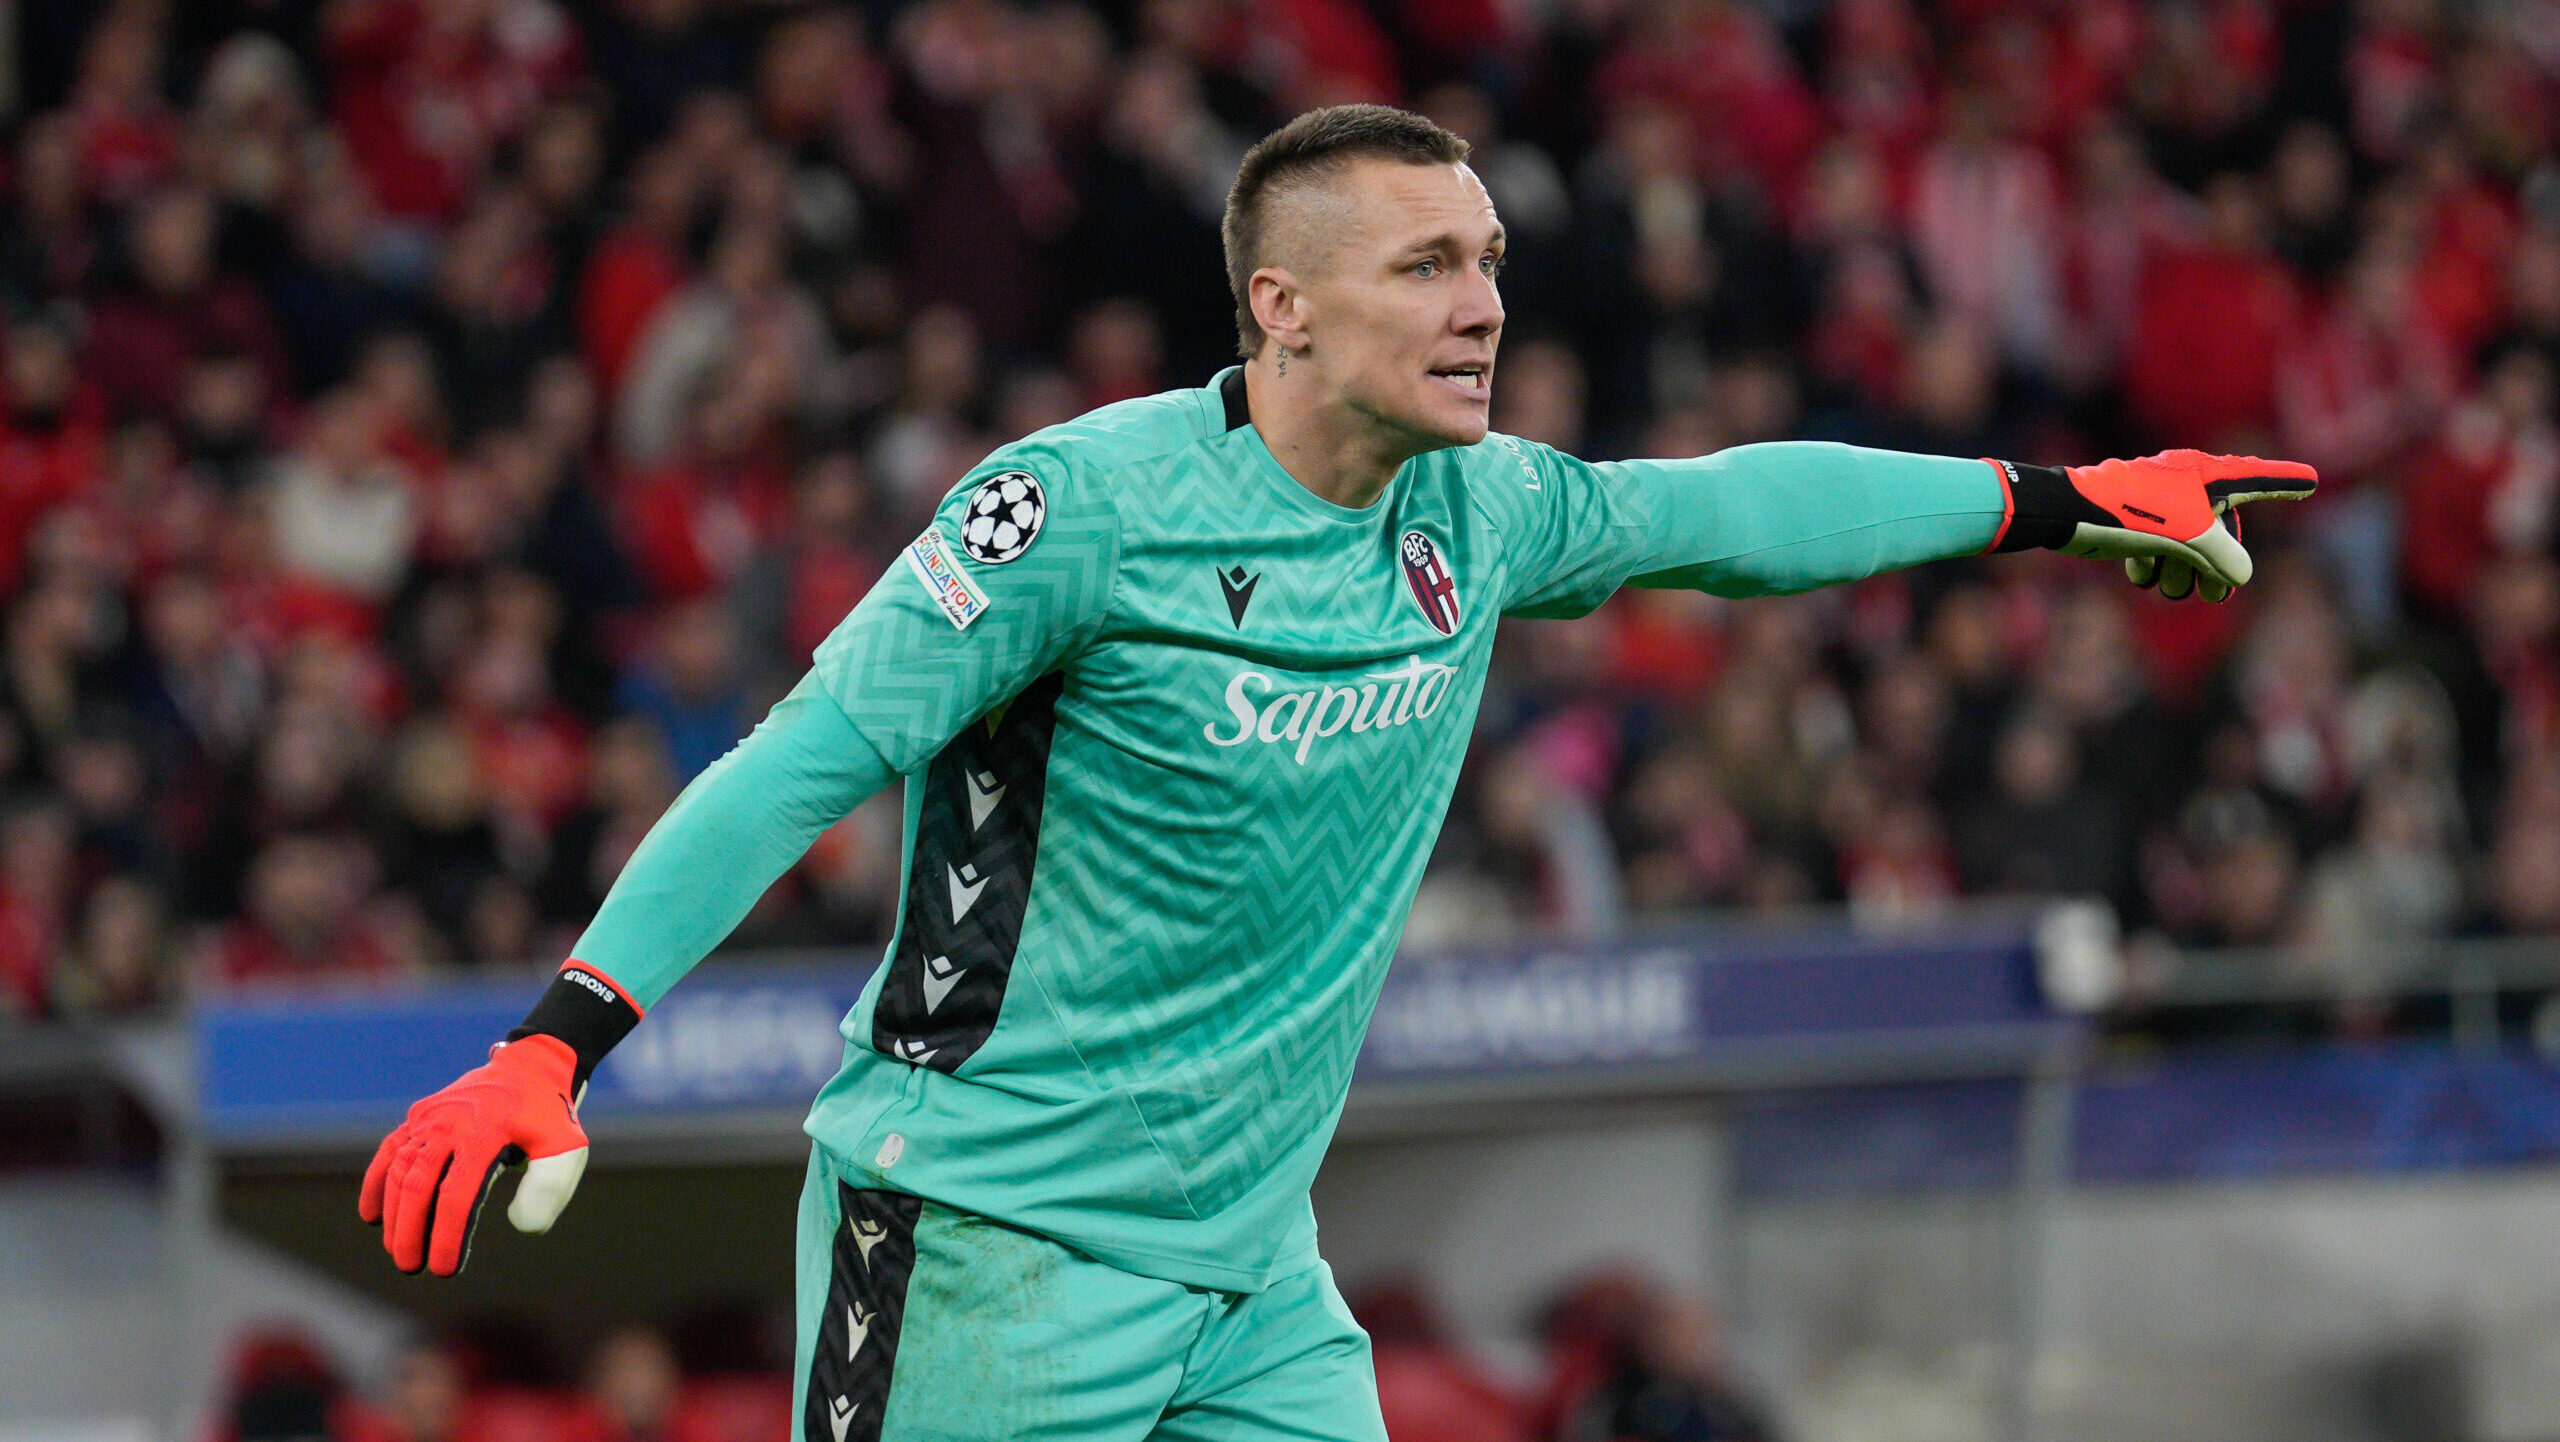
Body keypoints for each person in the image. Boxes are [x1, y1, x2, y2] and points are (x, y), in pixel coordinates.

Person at [357, 105, 2316, 1442]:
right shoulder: (1071, 517)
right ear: (1280, 310)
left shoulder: (1476, 509)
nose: (1479, 303)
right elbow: (796, 764)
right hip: (984, 1246)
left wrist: (2052, 504)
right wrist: (558, 1042)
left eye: (1481, 259)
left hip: (1248, 1272)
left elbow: (1724, 507)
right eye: (1420, 268)